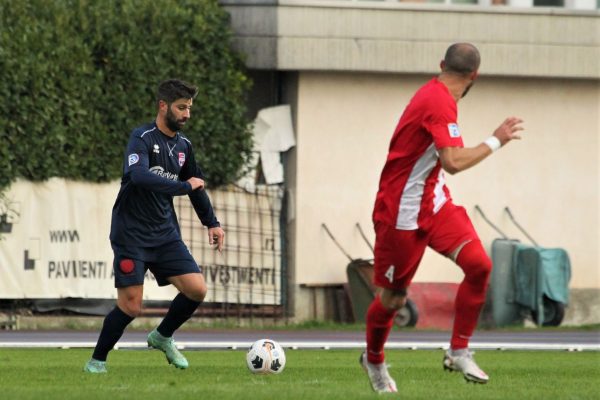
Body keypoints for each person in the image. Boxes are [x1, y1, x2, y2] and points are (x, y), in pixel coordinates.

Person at [361, 43, 524, 392]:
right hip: (401, 212)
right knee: (393, 299)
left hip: (434, 203)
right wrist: (496, 141)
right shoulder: (438, 102)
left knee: (479, 266)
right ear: (474, 76)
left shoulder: (438, 96)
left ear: (441, 65)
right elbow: (453, 161)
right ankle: (373, 360)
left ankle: (459, 350)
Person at [84, 79, 225, 373]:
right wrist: (184, 186)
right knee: (132, 306)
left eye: (189, 108)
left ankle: (162, 336)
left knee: (197, 290)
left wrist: (212, 223)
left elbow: (196, 186)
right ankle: (97, 361)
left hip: (164, 236)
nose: (187, 114)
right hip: (131, 235)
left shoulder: (184, 146)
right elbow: (139, 176)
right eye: (181, 107)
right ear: (163, 106)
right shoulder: (142, 138)